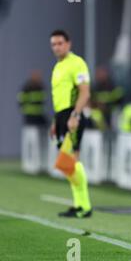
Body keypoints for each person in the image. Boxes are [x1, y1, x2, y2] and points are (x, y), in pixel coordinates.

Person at [49, 30, 92, 218]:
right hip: (61, 116)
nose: (57, 47)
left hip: (71, 115)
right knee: (67, 163)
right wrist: (55, 121)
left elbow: (85, 93)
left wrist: (75, 115)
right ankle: (78, 205)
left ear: (68, 44)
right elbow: (59, 97)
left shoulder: (77, 63)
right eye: (54, 44)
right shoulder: (58, 66)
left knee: (70, 160)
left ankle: (84, 206)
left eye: (60, 43)